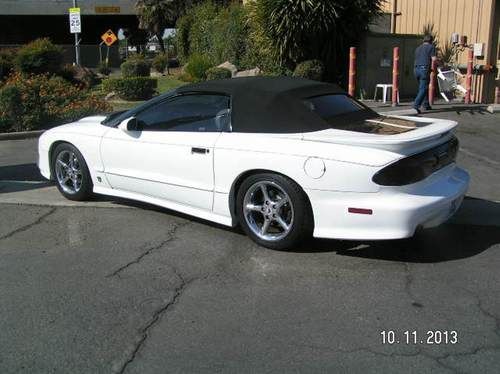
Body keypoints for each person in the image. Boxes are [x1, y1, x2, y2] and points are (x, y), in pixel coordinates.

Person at [413, 34, 437, 114]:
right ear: (431, 41)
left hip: (416, 69)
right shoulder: (431, 47)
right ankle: (416, 105)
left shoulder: (418, 48)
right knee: (423, 89)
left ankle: (426, 104)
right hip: (424, 69)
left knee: (423, 88)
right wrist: (441, 64)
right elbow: (434, 59)